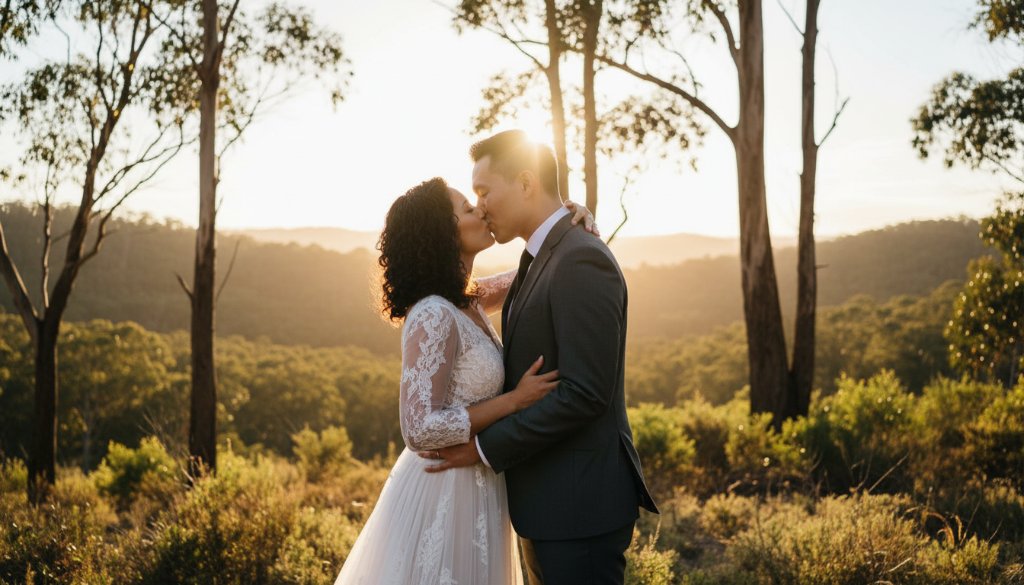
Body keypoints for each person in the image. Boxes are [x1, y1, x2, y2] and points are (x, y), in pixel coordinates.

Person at [334, 176, 596, 584]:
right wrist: (514, 401)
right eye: (467, 208)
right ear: (444, 232)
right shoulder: (433, 313)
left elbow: (533, 270)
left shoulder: (468, 301)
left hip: (479, 485)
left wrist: (566, 222)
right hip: (445, 492)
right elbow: (419, 428)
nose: (481, 210)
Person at [424, 130, 659, 585]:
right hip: (547, 505)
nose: (482, 206)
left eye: (485, 191)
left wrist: (482, 449)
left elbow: (586, 393)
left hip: (580, 508)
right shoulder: (542, 257)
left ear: (527, 183)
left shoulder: (580, 259)